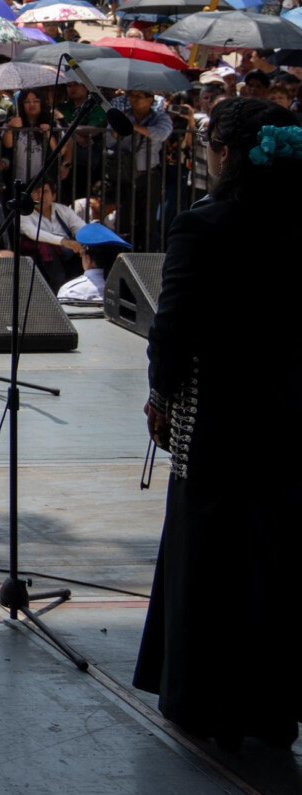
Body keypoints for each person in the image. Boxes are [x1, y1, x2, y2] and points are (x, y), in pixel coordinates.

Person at [134, 100, 302, 748]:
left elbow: (172, 326)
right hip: (289, 414)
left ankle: (205, 697)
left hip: (220, 416)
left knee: (210, 552)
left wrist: (159, 395)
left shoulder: (203, 225)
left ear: (227, 153)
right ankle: (273, 704)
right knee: (277, 558)